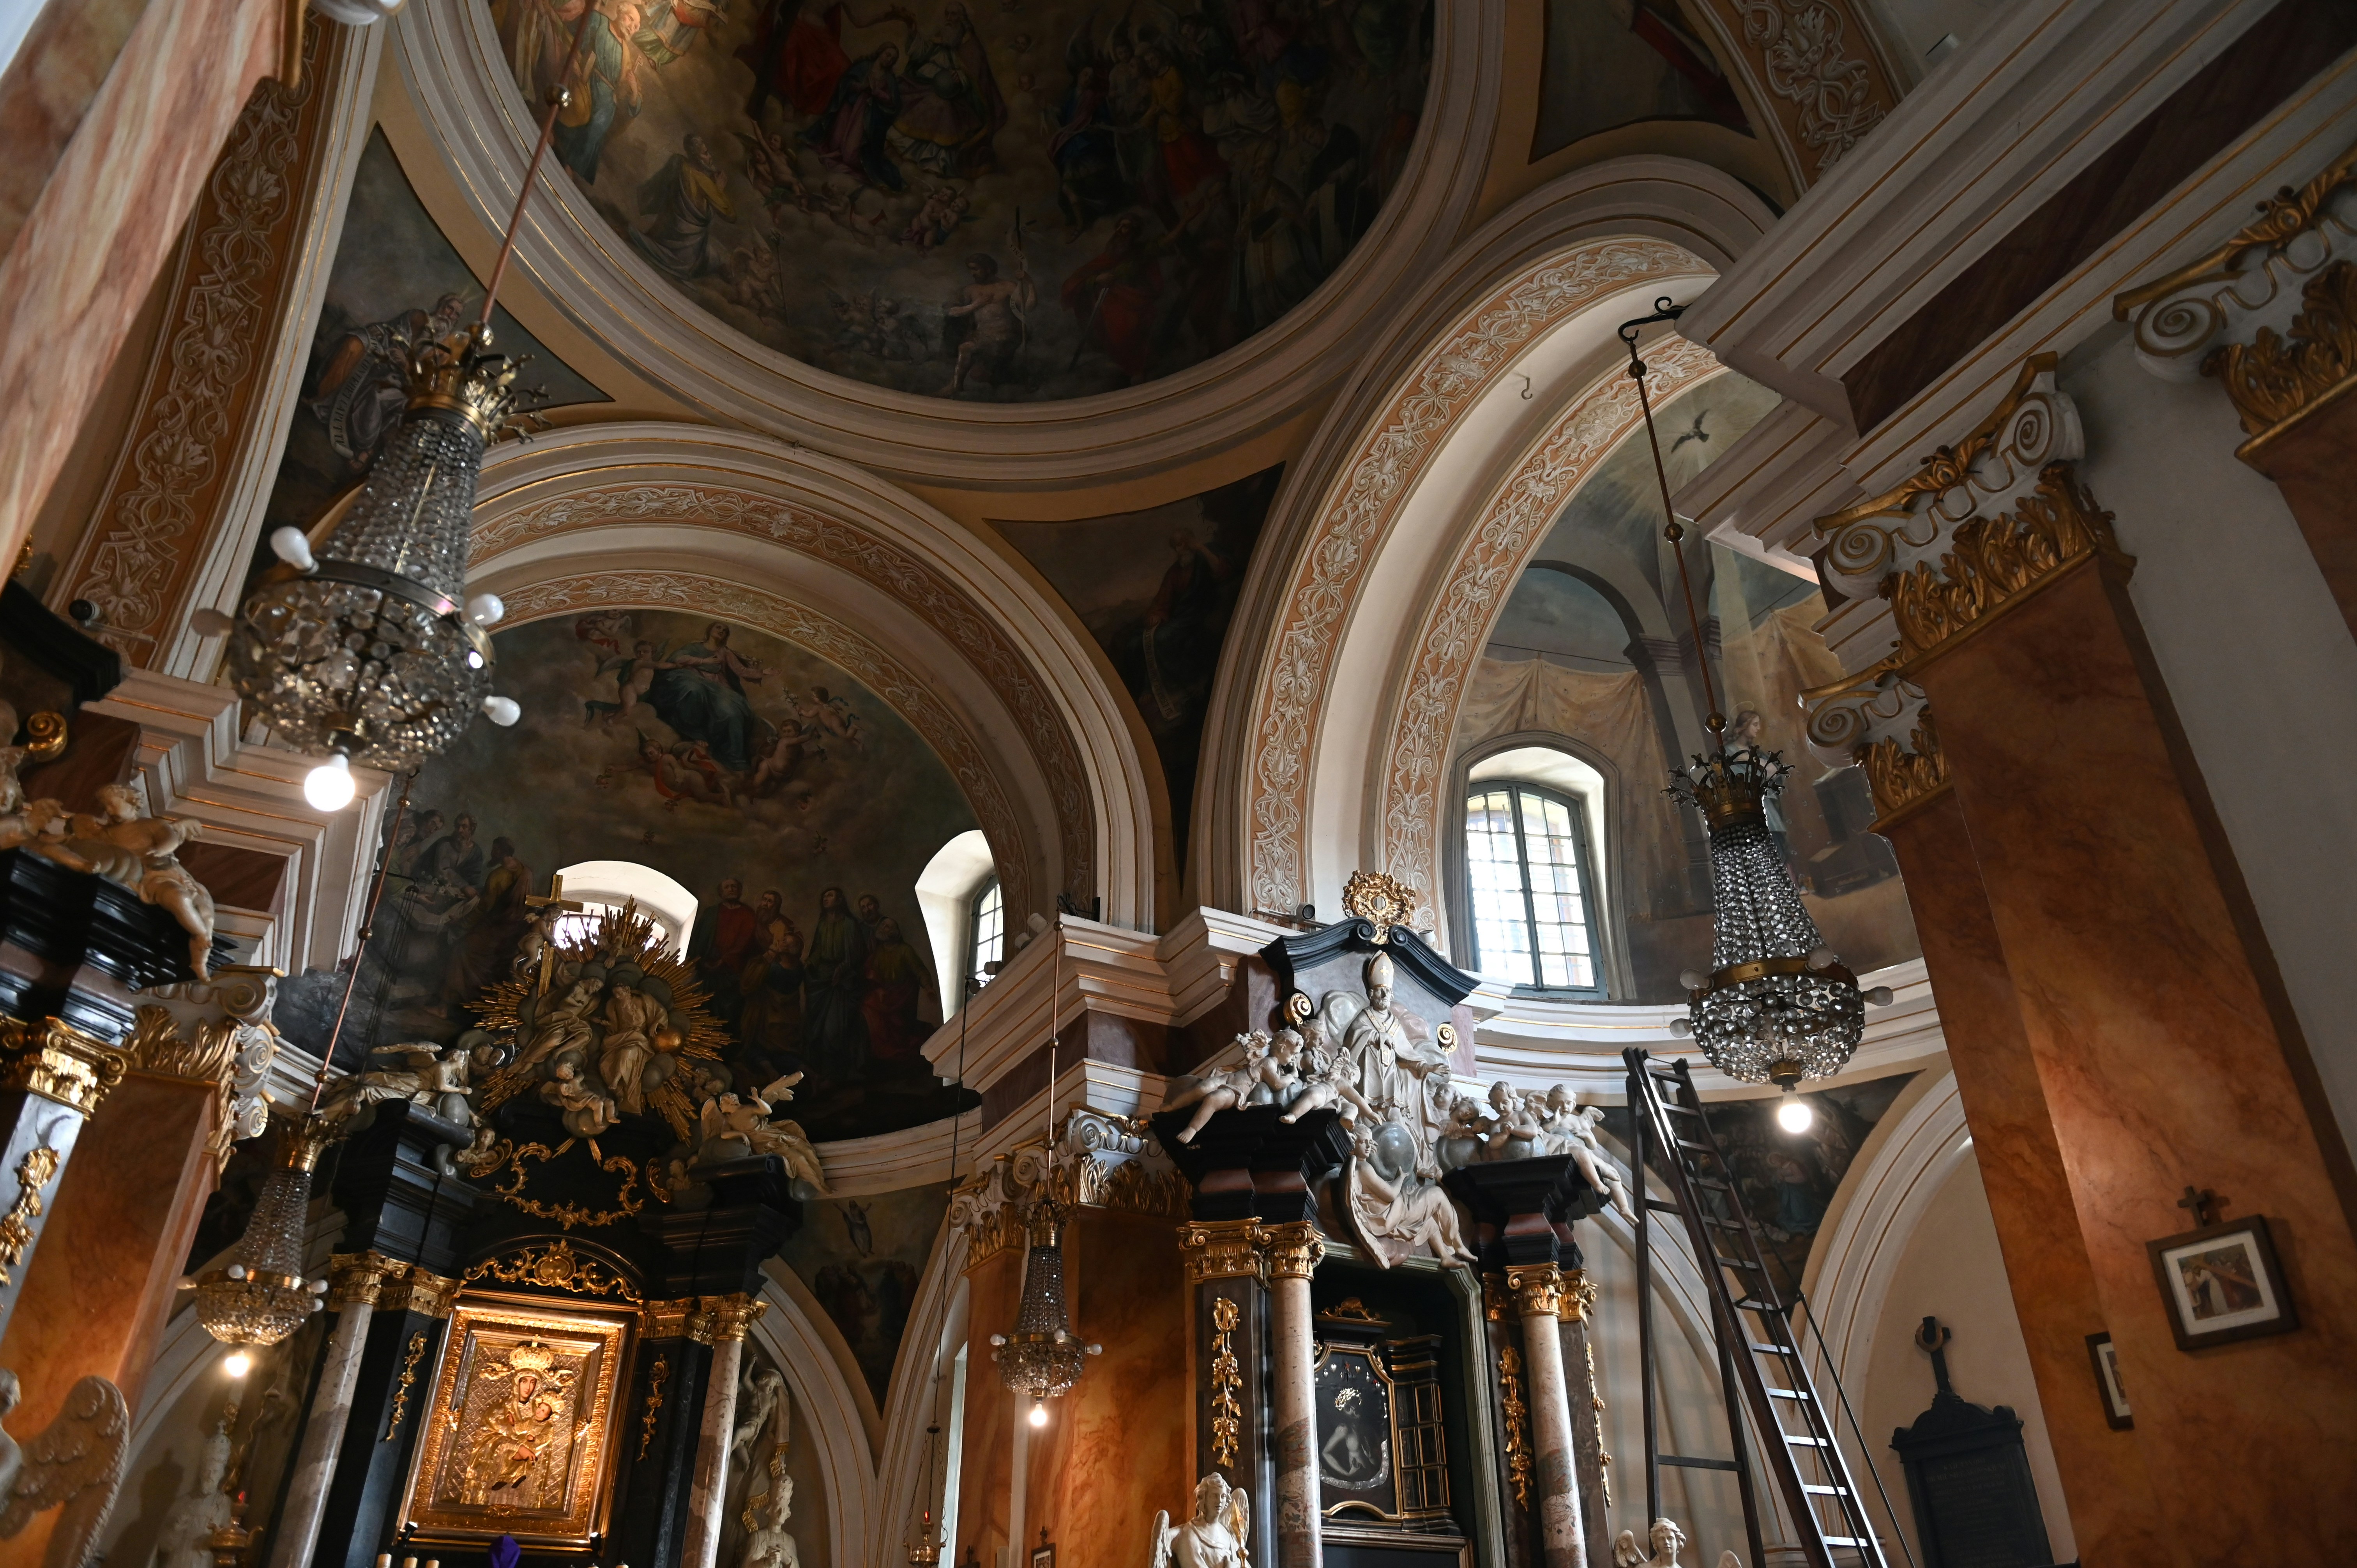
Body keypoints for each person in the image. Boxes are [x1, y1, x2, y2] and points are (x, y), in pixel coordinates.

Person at [1058, 213, 1166, 383]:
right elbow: (1079, 277)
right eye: (1118, 226)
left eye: (1126, 227)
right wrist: (1096, 280)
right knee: (1116, 334)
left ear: (1135, 232)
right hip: (1112, 305)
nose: (1119, 231)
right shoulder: (1109, 256)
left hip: (1136, 301)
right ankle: (1129, 369)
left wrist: (1184, 221)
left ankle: (1138, 370)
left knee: (1132, 333)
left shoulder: (1141, 252)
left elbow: (1163, 246)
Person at [647, 622, 767, 771]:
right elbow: (678, 659)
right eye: (719, 628)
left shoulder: (725, 653)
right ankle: (695, 733)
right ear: (710, 630)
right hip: (695, 682)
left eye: (725, 631)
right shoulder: (694, 647)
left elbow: (742, 670)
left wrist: (764, 673)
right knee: (693, 689)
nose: (721, 631)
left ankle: (734, 759)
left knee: (732, 713)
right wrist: (704, 661)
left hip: (717, 691)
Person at [551, 1, 645, 183]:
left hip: (606, 105)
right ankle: (555, 143)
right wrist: (575, 60)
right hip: (583, 82)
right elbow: (572, 34)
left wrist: (633, 89)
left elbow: (634, 101)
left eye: (637, 27)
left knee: (597, 125)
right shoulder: (598, 21)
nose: (632, 28)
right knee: (576, 111)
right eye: (631, 19)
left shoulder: (626, 53)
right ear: (619, 11)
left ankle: (568, 169)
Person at [634, 133, 738, 279]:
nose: (710, 158)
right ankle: (633, 235)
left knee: (714, 257)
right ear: (697, 157)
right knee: (712, 261)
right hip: (686, 245)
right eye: (706, 154)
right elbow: (731, 215)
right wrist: (720, 190)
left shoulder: (679, 163)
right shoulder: (704, 181)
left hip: (667, 230)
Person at [942, 252, 1034, 394]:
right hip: (981, 337)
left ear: (988, 269)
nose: (973, 273)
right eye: (971, 269)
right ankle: (957, 386)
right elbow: (951, 312)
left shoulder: (1007, 286)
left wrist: (1030, 283)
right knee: (979, 373)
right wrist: (974, 306)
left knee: (967, 351)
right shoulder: (970, 290)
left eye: (976, 269)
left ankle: (956, 386)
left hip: (1006, 337)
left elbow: (1028, 307)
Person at [802, 886, 870, 1076]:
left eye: (830, 896)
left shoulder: (849, 924)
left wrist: (843, 968)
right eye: (824, 896)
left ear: (840, 900)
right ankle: (821, 1072)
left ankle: (837, 1073)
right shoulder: (823, 923)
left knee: (834, 1028)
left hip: (842, 982)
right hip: (822, 979)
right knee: (816, 1027)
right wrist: (810, 963)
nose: (825, 899)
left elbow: (856, 953)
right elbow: (817, 951)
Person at [862, 916, 931, 1065]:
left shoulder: (905, 950)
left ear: (895, 932)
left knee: (899, 1027)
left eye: (887, 926)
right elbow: (871, 972)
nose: (882, 928)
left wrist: (928, 987)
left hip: (902, 995)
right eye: (882, 925)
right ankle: (880, 1050)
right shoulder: (879, 951)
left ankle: (895, 1050)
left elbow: (919, 970)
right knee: (867, 1007)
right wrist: (878, 986)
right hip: (886, 993)